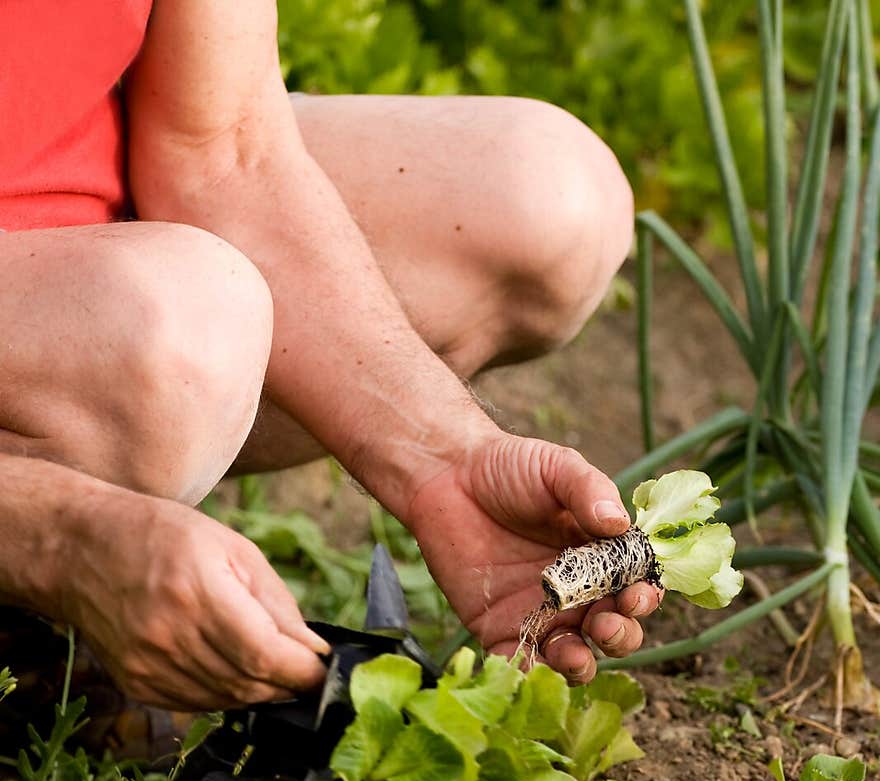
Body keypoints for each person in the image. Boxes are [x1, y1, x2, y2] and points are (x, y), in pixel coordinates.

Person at [0, 0, 661, 733]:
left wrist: (444, 461)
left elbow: (223, 150)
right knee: (181, 331)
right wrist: (54, 535)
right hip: (113, 305)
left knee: (546, 198)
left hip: (86, 224)